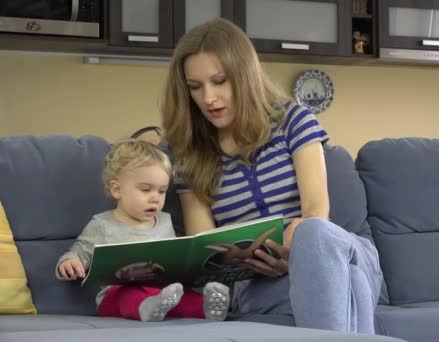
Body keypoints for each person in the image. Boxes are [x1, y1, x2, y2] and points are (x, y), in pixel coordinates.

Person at [161, 18, 383, 333]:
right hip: (257, 279)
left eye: (219, 81)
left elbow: (316, 211)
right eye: (195, 87)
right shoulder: (187, 152)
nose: (208, 98)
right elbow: (206, 250)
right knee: (352, 287)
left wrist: (295, 257)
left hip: (332, 253)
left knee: (314, 235)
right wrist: (251, 261)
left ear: (245, 76)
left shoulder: (294, 120)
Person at [56, 139, 230, 322]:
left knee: (184, 297)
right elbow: (80, 250)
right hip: (117, 295)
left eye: (162, 191)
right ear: (117, 190)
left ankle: (207, 308)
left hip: (162, 291)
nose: (156, 198)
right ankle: (147, 307)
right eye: (146, 190)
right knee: (129, 295)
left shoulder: (165, 220)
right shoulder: (102, 224)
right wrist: (70, 261)